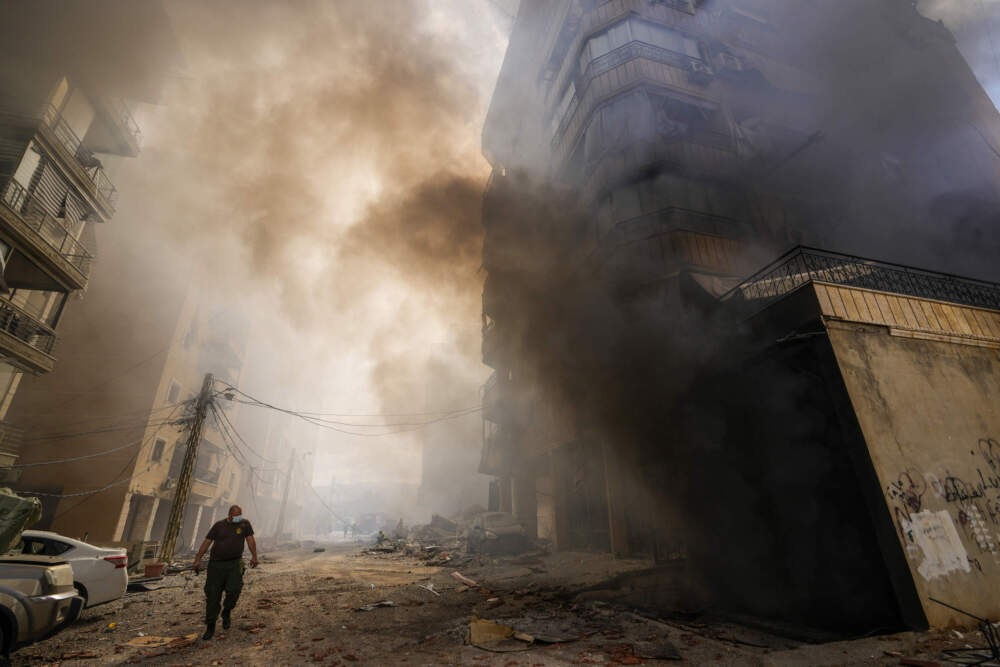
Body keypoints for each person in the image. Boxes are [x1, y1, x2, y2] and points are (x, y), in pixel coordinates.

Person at [193, 505, 259, 640]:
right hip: (216, 565)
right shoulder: (219, 526)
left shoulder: (245, 524)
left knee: (234, 590)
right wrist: (198, 559)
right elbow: (207, 542)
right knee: (212, 596)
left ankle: (227, 611)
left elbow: (250, 540)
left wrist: (254, 556)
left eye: (240, 515)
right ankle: (210, 626)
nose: (238, 518)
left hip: (235, 564)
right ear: (229, 515)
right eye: (236, 516)